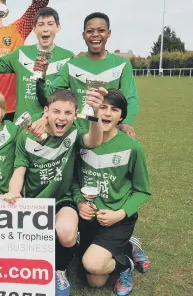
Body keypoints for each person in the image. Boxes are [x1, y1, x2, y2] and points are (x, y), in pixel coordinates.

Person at [1, 88, 107, 296]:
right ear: (46, 111)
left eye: (68, 113)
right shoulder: (26, 136)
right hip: (34, 202)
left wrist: (95, 113)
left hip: (62, 199)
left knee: (66, 232)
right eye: (56, 111)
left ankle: (60, 269)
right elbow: (19, 170)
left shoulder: (74, 131)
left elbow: (94, 141)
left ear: (75, 114)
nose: (62, 118)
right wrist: (14, 192)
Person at [73, 89, 151, 296]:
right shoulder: (83, 142)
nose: (107, 114)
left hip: (117, 219)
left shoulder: (133, 148)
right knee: (95, 281)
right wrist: (80, 202)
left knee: (92, 263)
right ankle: (129, 248)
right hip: (90, 219)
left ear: (122, 116)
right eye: (103, 107)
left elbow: (142, 191)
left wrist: (120, 213)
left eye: (114, 109)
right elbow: (73, 181)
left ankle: (126, 265)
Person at [35, 12, 139, 138]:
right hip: (79, 134)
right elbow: (48, 96)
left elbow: (131, 98)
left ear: (108, 33)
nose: (95, 34)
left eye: (101, 30)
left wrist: (126, 123)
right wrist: (41, 75)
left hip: (109, 133)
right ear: (83, 35)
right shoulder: (72, 65)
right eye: (90, 31)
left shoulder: (122, 64)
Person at [0, 7, 74, 120]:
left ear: (58, 27)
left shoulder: (68, 57)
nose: (45, 29)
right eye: (40, 24)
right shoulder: (21, 53)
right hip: (22, 127)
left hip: (52, 126)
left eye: (50, 24)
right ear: (34, 29)